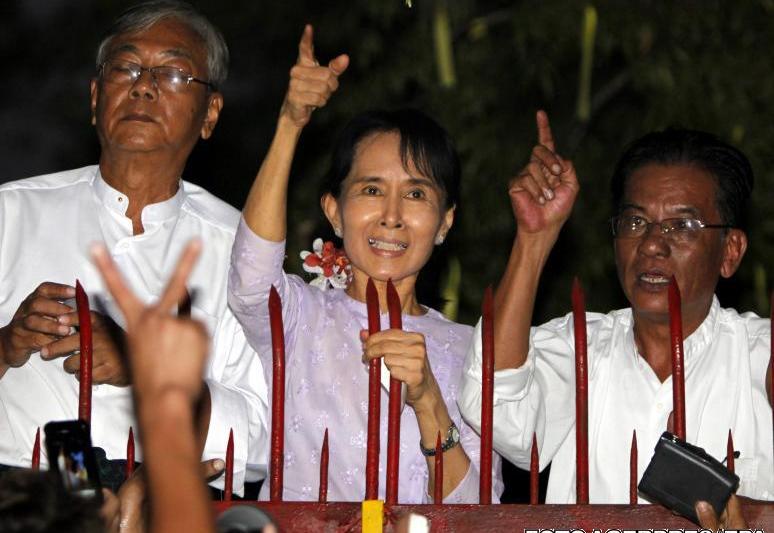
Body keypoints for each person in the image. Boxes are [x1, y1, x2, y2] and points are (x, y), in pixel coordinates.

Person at [0, 0, 267, 495]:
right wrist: (6, 345)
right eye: (126, 67)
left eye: (173, 73)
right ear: (96, 97)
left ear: (210, 113)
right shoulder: (10, 214)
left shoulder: (243, 248)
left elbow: (260, 442)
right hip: (21, 498)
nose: (143, 85)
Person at [228, 26, 502, 503]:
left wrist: (428, 400)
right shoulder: (298, 316)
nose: (392, 215)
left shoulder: (473, 352)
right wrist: (291, 123)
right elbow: (250, 278)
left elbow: (478, 513)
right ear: (334, 211)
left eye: (416, 193)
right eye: (371, 190)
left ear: (445, 222)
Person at [457, 112, 771, 521]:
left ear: (730, 251)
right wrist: (533, 240)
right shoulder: (580, 347)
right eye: (636, 221)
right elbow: (496, 408)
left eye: (681, 225)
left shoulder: (758, 354)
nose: (652, 244)